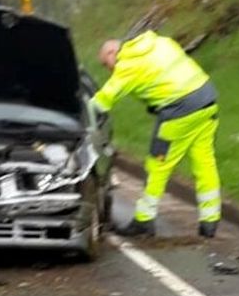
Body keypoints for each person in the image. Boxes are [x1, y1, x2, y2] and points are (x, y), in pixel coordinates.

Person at [92, 31, 221, 238]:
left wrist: (81, 113)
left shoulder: (128, 66)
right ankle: (210, 221)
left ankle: (144, 220)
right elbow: (165, 76)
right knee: (204, 162)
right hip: (206, 100)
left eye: (106, 64)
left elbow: (103, 101)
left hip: (180, 110)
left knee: (158, 164)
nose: (109, 70)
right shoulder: (158, 42)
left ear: (112, 52)